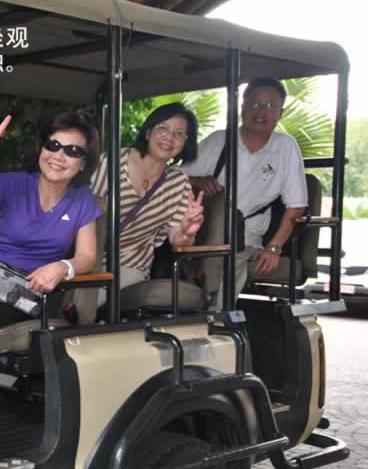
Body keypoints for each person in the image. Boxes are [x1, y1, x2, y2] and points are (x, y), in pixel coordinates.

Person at [0, 107, 101, 353]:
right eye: (53, 146)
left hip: (21, 293)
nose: (59, 156)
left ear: (83, 163)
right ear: (42, 149)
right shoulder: (14, 184)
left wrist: (62, 267)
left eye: (72, 151)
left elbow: (87, 257)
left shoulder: (83, 200)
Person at [182, 78, 307, 309]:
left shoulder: (286, 147)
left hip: (245, 239)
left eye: (270, 105)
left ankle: (217, 317)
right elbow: (172, 179)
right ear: (242, 108)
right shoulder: (218, 140)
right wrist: (197, 181)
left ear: (280, 112)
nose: (262, 112)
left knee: (231, 262)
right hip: (199, 233)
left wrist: (274, 247)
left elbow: (296, 206)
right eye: (255, 104)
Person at [91, 102, 205, 304]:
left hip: (130, 265)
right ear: (148, 132)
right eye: (163, 128)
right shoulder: (111, 162)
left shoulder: (178, 182)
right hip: (86, 256)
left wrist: (188, 231)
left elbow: (178, 241)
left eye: (179, 133)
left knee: (95, 302)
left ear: (185, 143)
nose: (169, 137)